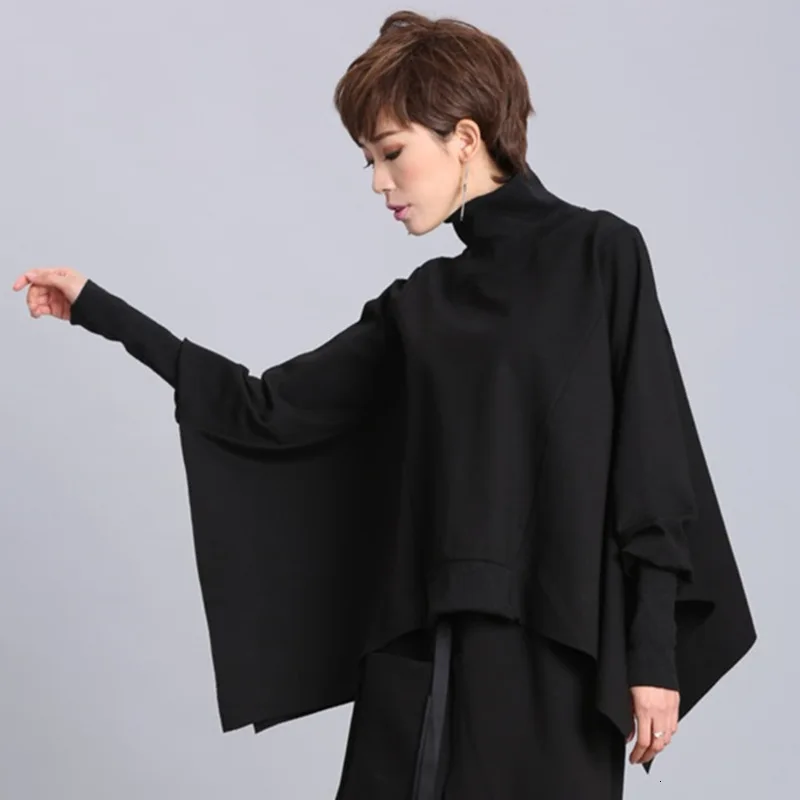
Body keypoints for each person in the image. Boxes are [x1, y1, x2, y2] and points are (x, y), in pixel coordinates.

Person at [12, 9, 755, 800]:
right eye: (368, 160)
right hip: (420, 657)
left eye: (391, 152)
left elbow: (651, 466)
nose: (377, 182)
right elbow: (266, 409)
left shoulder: (600, 254)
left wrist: (653, 657)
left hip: (556, 663)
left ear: (465, 137)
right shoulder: (421, 305)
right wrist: (102, 310)